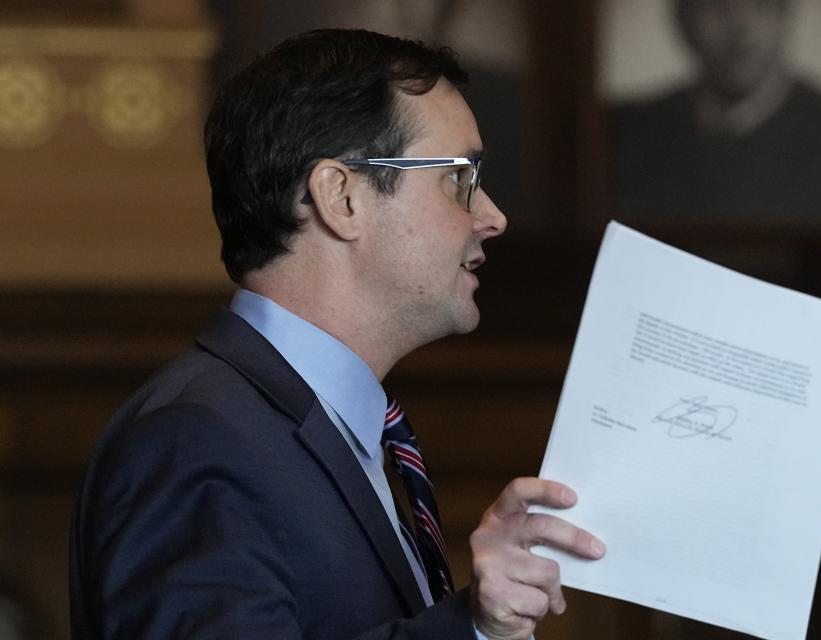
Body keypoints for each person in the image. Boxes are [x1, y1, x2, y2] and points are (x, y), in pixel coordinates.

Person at [69, 29, 604, 640]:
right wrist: (471, 629)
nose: (492, 216)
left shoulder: (335, 427)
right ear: (340, 196)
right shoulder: (195, 438)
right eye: (460, 176)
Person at [609, 0, 821, 227]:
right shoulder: (621, 132)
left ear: (785, 17)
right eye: (717, 7)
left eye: (761, 6)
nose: (741, 30)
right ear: (682, 23)